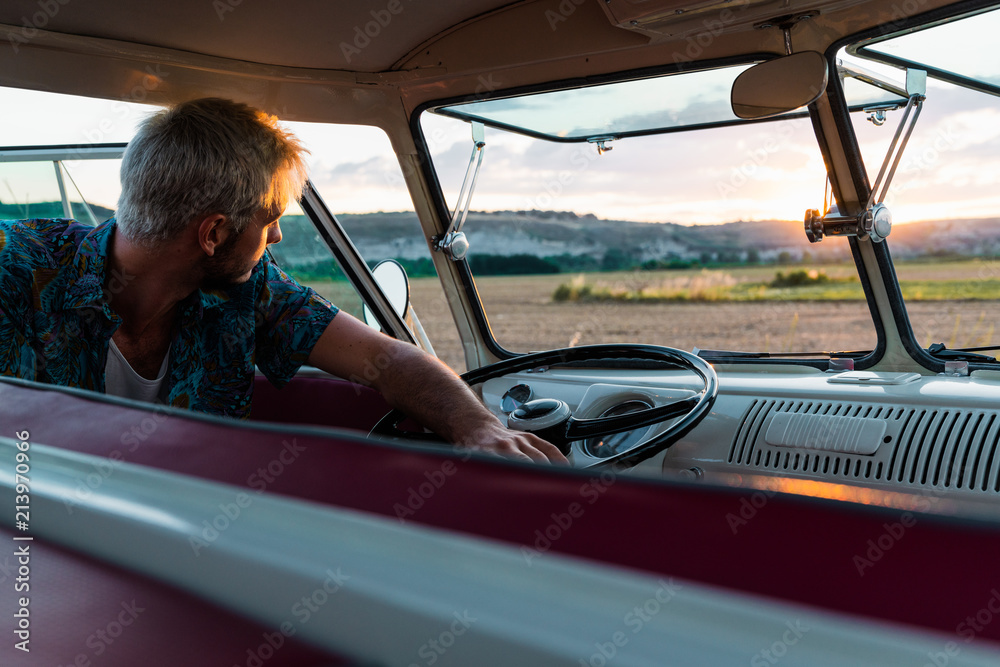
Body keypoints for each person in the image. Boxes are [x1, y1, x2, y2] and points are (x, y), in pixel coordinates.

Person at [0, 97, 565, 464]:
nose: (275, 240)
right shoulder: (17, 269)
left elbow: (388, 360)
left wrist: (479, 429)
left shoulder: (248, 290)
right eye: (270, 221)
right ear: (214, 233)